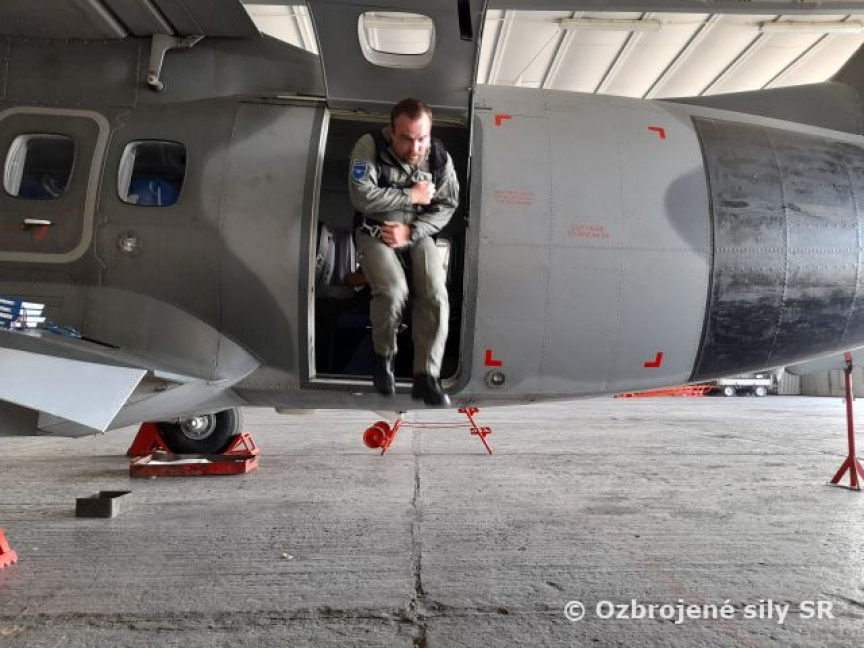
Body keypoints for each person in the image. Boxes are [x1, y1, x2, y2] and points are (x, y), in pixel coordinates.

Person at [348, 98, 459, 406]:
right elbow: (362, 197)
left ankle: (426, 376)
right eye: (407, 139)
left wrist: (411, 232)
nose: (415, 148)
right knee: (394, 291)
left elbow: (447, 206)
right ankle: (383, 360)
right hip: (376, 232)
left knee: (436, 293)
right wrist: (411, 195)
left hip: (416, 233)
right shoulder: (369, 146)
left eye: (422, 138)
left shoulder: (439, 158)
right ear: (392, 131)